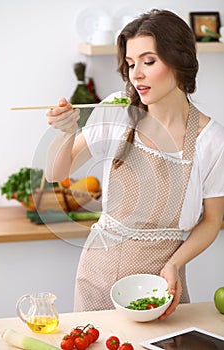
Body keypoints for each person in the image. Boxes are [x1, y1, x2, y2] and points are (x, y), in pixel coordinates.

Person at [45, 9, 224, 319]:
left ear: (179, 61)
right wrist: (65, 133)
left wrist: (174, 265)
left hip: (159, 283)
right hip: (96, 272)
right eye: (130, 64)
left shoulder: (211, 140)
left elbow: (211, 221)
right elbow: (56, 172)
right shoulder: (117, 111)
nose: (135, 74)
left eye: (149, 61)